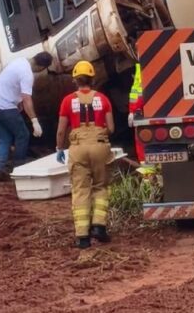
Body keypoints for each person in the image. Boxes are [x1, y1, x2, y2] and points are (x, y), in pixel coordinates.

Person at [55, 60, 115, 249]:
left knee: (81, 190)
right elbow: (111, 128)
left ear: (75, 80)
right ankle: (99, 227)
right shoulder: (103, 99)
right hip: (99, 146)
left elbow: (61, 131)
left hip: (78, 148)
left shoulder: (67, 101)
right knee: (100, 187)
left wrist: (59, 148)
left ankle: (82, 237)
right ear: (92, 78)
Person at [0, 52, 53, 180]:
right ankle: (19, 167)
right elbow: (27, 98)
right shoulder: (27, 74)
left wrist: (18, 102)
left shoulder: (19, 61)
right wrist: (34, 121)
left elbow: (12, 86)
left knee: (4, 138)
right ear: (41, 67)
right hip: (4, 108)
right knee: (23, 135)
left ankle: (0, 169)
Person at [128, 62, 145, 162]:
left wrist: (133, 110)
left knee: (142, 138)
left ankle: (147, 168)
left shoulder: (141, 68)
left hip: (141, 111)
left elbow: (139, 93)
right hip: (142, 110)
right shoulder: (140, 67)